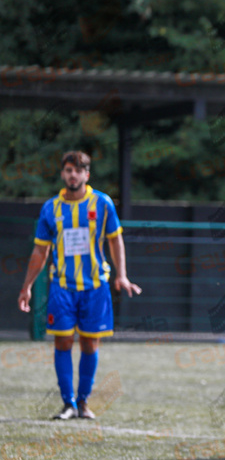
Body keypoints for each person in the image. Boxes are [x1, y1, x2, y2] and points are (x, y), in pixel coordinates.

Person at [16, 151, 142, 420]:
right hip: (62, 286)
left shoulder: (103, 203)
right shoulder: (51, 208)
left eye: (78, 170)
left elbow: (114, 240)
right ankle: (68, 403)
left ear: (87, 174)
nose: (73, 174)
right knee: (62, 342)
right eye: (68, 170)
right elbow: (40, 251)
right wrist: (27, 285)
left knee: (89, 344)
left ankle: (83, 402)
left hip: (95, 287)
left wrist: (122, 275)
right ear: (63, 174)